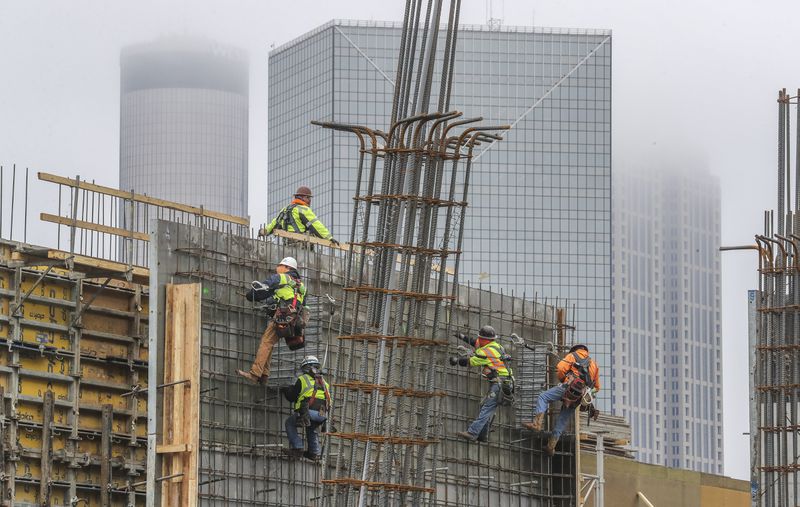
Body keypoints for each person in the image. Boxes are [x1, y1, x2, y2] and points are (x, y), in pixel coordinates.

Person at [236, 256, 308, 383]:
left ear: (287, 267)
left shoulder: (282, 278)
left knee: (266, 342)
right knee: (269, 342)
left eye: (280, 265)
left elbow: (265, 287)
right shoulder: (301, 286)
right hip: (294, 320)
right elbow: (291, 300)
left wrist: (251, 295)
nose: (277, 268)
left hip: (282, 318)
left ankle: (255, 373)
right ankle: (264, 375)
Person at [522, 344, 600, 456]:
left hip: (568, 387)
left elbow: (560, 368)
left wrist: (564, 380)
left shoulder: (572, 356)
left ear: (575, 350)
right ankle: (551, 447)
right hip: (578, 396)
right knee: (562, 420)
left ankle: (537, 424)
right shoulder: (594, 365)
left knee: (543, 397)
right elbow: (596, 388)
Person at [449, 325, 515, 443]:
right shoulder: (495, 346)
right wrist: (462, 336)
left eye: (480, 338)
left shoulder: (487, 352)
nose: (478, 339)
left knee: (487, 408)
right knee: (484, 406)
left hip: (500, 384)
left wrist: (456, 361)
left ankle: (472, 433)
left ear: (485, 339)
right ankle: (482, 436)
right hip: (504, 382)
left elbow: (471, 361)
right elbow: (475, 343)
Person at [281, 355, 332, 460]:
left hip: (308, 412)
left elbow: (292, 397)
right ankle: (313, 452)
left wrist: (286, 390)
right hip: (322, 415)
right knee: (311, 428)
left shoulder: (303, 379)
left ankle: (297, 448)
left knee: (289, 423)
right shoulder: (325, 383)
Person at [258, 186, 339, 245]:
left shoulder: (285, 209)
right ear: (303, 198)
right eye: (308, 198)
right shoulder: (303, 209)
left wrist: (264, 231)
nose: (310, 200)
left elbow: (274, 223)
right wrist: (329, 238)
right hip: (301, 244)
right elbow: (316, 225)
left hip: (287, 244)